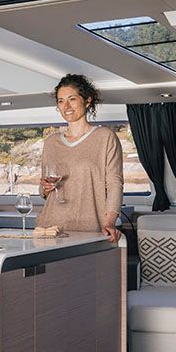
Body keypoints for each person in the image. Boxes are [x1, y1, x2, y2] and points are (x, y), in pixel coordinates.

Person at [37, 74, 123, 243]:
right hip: (51, 228)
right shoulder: (51, 142)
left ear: (87, 101)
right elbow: (43, 191)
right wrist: (45, 188)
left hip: (90, 228)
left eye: (72, 99)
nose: (66, 106)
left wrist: (109, 222)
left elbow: (115, 183)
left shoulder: (105, 137)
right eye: (60, 101)